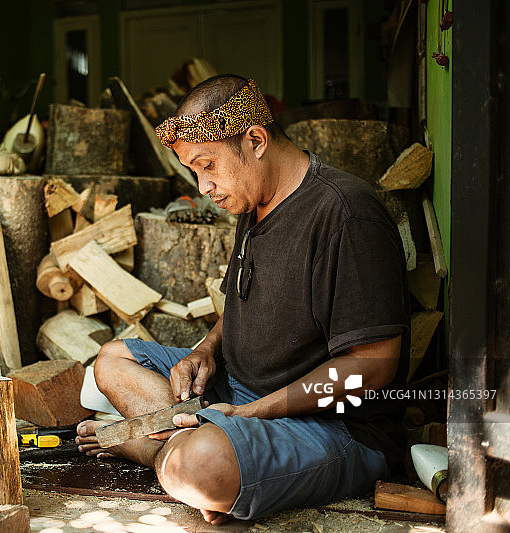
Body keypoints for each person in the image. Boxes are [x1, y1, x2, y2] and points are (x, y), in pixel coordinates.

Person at [75, 75, 410, 524]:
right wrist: (205, 352)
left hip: (330, 426)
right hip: (235, 396)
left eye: (207, 164)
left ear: (255, 140)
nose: (203, 186)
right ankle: (193, 456)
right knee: (112, 361)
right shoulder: (253, 203)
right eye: (194, 172)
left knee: (196, 466)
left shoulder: (347, 213)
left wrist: (254, 412)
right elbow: (238, 299)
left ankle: (157, 450)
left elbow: (373, 365)